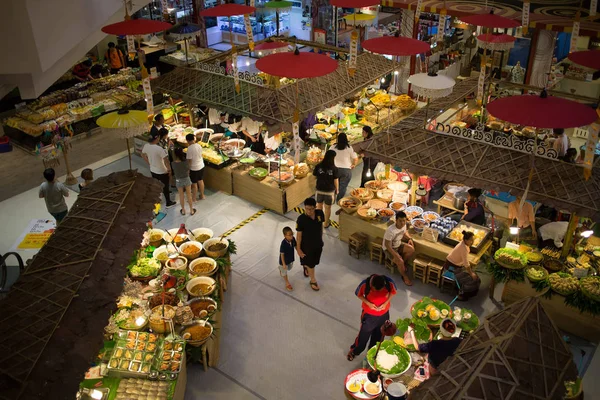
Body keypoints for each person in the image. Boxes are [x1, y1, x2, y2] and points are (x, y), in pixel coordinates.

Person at [347, 274, 397, 361]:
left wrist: (386, 303)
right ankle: (355, 351)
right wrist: (369, 304)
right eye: (375, 290)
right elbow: (358, 294)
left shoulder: (389, 283)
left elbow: (393, 292)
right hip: (369, 316)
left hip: (384, 315)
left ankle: (372, 353)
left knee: (379, 336)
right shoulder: (365, 285)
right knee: (363, 337)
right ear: (371, 285)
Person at [296, 197, 325, 291]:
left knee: (315, 262)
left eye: (311, 209)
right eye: (307, 209)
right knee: (311, 264)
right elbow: (299, 236)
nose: (309, 211)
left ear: (315, 207)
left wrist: (321, 239)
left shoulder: (320, 214)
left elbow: (321, 227)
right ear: (304, 207)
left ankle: (305, 266)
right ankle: (313, 280)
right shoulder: (301, 220)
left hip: (318, 244)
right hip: (307, 246)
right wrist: (299, 249)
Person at [142, 132, 176, 208]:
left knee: (156, 185)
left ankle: (157, 201)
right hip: (162, 171)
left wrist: (149, 162)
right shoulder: (159, 149)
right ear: (156, 138)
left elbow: (142, 154)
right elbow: (166, 160)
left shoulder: (146, 146)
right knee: (165, 186)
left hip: (153, 170)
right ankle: (168, 202)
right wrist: (169, 170)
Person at [445, 231, 481, 300]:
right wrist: (471, 273)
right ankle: (461, 294)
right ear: (465, 240)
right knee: (470, 279)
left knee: (472, 275)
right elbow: (466, 264)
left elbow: (465, 261)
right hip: (451, 268)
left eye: (472, 239)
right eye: (471, 240)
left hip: (456, 265)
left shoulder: (464, 245)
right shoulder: (463, 248)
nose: (472, 242)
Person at [383, 211, 415, 286]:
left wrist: (409, 239)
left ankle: (402, 264)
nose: (402, 223)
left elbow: (404, 232)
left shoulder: (404, 225)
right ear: (396, 220)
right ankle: (404, 276)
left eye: (404, 220)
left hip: (398, 245)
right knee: (399, 261)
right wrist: (396, 255)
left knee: (411, 250)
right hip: (389, 249)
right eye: (400, 221)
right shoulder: (390, 231)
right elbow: (387, 245)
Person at [312, 150, 339, 228]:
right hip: (329, 192)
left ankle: (319, 221)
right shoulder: (334, 168)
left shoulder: (318, 166)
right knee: (327, 208)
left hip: (319, 190)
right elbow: (335, 180)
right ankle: (326, 223)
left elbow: (314, 177)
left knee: (319, 207)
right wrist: (337, 189)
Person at [332, 132, 358, 201]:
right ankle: (339, 200)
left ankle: (332, 198)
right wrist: (353, 165)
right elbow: (355, 158)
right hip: (346, 170)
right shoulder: (349, 148)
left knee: (334, 184)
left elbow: (328, 156)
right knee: (342, 186)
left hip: (335, 169)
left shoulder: (333, 147)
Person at [172, 148, 196, 215]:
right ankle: (191, 210)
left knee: (181, 195)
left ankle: (183, 210)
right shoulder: (185, 162)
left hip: (178, 180)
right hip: (186, 179)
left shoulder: (173, 163)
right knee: (189, 195)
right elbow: (188, 170)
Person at [186, 133, 205, 201]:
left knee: (194, 183)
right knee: (200, 180)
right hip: (201, 165)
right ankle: (202, 195)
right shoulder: (198, 145)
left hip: (194, 168)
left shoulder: (189, 148)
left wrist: (188, 170)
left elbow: (189, 161)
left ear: (187, 141)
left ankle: (194, 198)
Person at [279, 226, 298, 292]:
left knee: (289, 268)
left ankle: (281, 269)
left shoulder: (293, 239)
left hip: (290, 259)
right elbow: (282, 254)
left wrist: (299, 252)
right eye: (289, 235)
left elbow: (295, 246)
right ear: (285, 236)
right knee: (284, 271)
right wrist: (283, 264)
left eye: (292, 234)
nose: (291, 236)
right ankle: (287, 282)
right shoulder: (283, 244)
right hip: (283, 261)